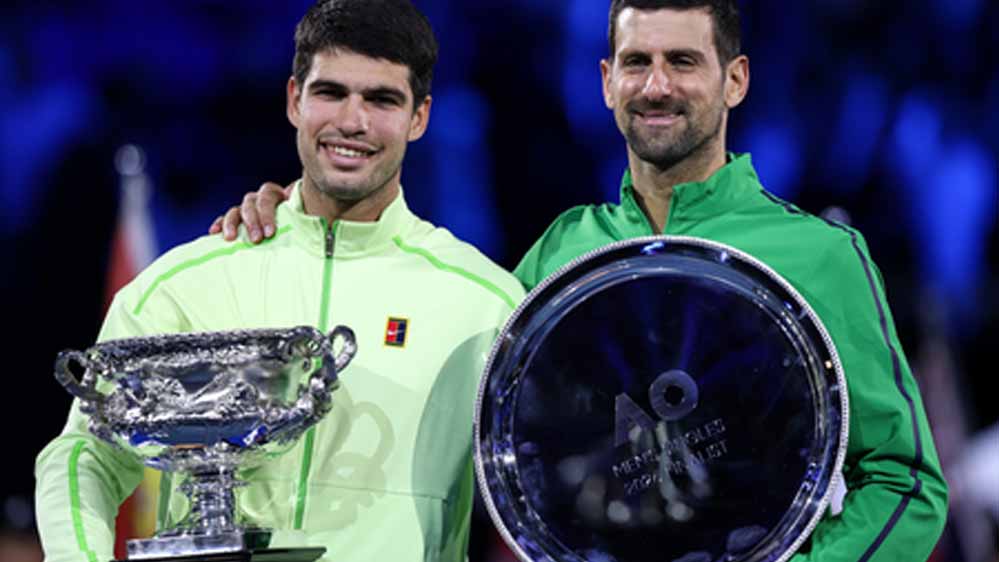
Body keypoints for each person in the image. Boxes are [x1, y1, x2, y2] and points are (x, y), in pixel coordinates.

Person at [215, 1, 949, 561]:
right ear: (606, 82)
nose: (656, 85)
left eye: (683, 62)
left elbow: (907, 482)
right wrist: (302, 220)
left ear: (735, 80)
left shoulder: (820, 255)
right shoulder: (563, 252)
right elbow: (483, 410)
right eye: (635, 62)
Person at [34, 1, 524, 562]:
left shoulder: (484, 303)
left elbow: (537, 487)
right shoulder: (183, 283)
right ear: (295, 99)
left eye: (381, 99)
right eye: (331, 93)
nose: (352, 121)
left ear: (419, 117)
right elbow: (85, 455)